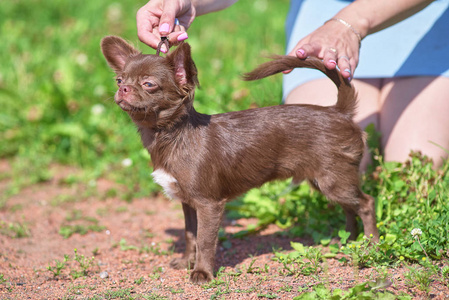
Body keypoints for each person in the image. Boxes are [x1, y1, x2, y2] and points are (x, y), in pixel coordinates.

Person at [136, 0, 449, 170]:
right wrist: (186, 0)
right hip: (322, 20)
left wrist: (351, 23)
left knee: (415, 169)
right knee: (332, 156)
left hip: (425, 17)